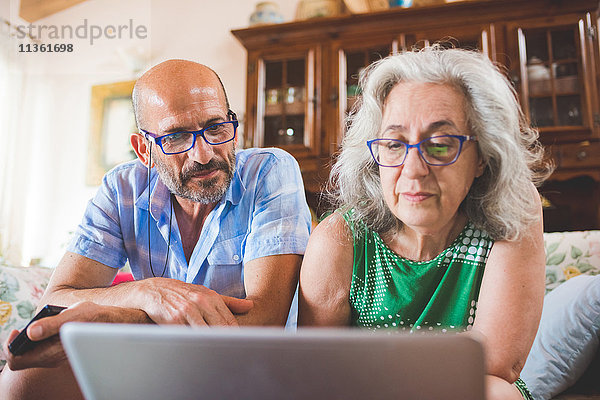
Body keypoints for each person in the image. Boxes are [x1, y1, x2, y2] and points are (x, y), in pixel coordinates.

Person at [1, 59, 312, 399]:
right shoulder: (122, 188)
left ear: (232, 123)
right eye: (176, 137)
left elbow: (263, 325)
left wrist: (119, 320)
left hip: (250, 370)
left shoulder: (270, 171)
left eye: (216, 127)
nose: (204, 153)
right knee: (22, 380)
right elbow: (57, 298)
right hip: (157, 367)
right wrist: (145, 292)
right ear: (144, 150)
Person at [298, 46, 551, 400]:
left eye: (441, 144)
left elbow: (495, 365)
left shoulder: (512, 213)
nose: (414, 169)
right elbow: (315, 372)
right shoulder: (338, 238)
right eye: (394, 144)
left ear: (482, 156)